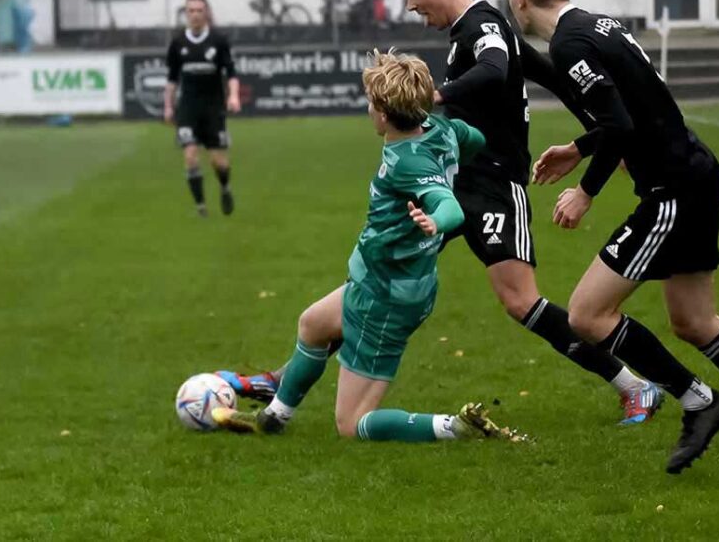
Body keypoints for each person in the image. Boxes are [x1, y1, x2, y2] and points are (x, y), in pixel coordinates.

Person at [220, 0, 664, 426]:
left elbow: (495, 70)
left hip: (493, 184)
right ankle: (286, 378)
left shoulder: (483, 27)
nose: (411, 4)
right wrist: (598, 138)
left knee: (520, 300)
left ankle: (635, 385)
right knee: (380, 273)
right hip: (453, 183)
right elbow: (556, 79)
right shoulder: (474, 31)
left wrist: (438, 95)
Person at [506, 0, 719, 473]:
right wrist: (578, 147)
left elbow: (621, 125)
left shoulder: (571, 42)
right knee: (695, 322)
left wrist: (586, 188)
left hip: (673, 188)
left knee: (586, 314)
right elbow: (624, 109)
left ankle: (699, 401)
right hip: (695, 171)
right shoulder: (595, 25)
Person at [213, 50, 523, 443]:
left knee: (352, 423)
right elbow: (475, 138)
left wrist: (435, 219)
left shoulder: (407, 161)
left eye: (371, 103)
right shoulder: (440, 128)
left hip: (387, 297)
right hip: (380, 280)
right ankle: (275, 416)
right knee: (313, 324)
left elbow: (449, 208)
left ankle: (454, 427)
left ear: (383, 113)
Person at [164, 0, 241, 217]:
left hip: (213, 108)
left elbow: (231, 73)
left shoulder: (218, 41)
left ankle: (225, 187)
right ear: (186, 14)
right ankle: (201, 207)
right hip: (187, 108)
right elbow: (171, 79)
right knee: (190, 155)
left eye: (199, 10)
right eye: (191, 11)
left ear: (206, 13)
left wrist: (233, 96)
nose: (195, 15)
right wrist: (168, 106)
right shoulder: (178, 43)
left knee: (218, 161)